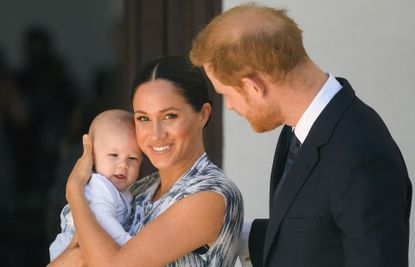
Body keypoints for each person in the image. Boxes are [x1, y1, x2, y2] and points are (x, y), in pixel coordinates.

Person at [190, 4, 412, 267]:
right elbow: (314, 234)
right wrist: (225, 231)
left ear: (254, 86)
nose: (228, 106)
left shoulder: (362, 155)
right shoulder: (299, 128)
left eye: (226, 94)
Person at [48, 56, 243, 267]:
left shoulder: (210, 194)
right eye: (143, 118)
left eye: (170, 116)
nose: (156, 134)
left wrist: (75, 191)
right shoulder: (138, 188)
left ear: (203, 115)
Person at [49, 109, 142, 261]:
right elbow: (104, 221)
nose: (123, 165)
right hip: (74, 252)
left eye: (132, 158)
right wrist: (129, 246)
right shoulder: (99, 186)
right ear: (92, 156)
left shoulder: (123, 190)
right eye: (113, 155)